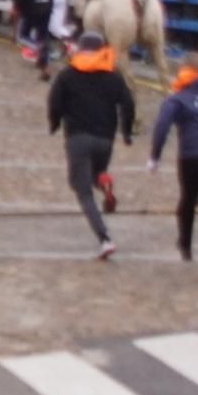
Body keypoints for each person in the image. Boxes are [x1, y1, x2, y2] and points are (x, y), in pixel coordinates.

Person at [46, 31, 135, 260]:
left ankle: (104, 238)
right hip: (105, 139)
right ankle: (103, 181)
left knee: (82, 189)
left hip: (77, 138)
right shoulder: (113, 76)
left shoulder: (67, 75)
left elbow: (54, 102)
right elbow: (128, 104)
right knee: (96, 173)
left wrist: (54, 124)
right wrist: (126, 132)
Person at [147, 54, 198, 264]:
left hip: (192, 155)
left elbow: (162, 127)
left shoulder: (178, 99)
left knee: (188, 200)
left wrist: (155, 156)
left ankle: (185, 244)